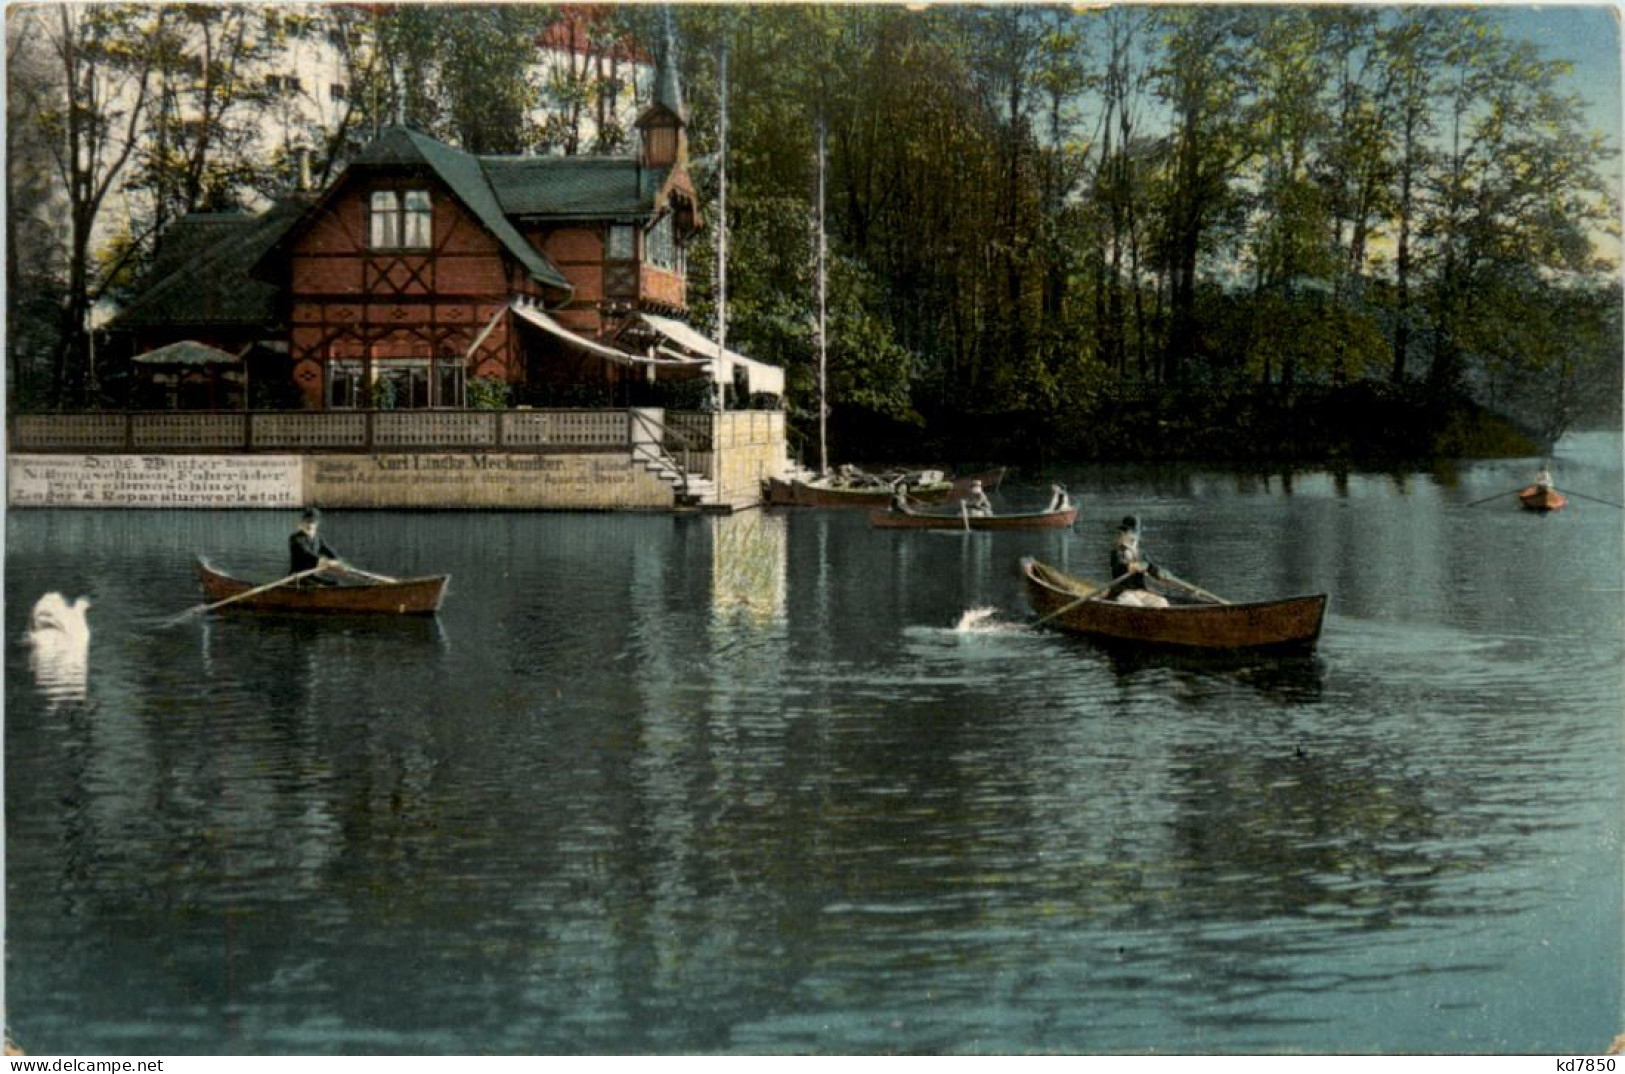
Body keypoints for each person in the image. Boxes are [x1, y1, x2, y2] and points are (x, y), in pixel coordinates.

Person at [1108, 515, 1168, 606]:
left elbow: (1150, 567)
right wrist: (1129, 567)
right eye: (1129, 533)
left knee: (1162, 603)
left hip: (1140, 592)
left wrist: (1159, 574)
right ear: (1123, 534)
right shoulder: (1117, 551)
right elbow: (1118, 567)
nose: (1132, 537)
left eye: (1134, 534)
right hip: (1123, 592)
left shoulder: (1141, 553)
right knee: (1135, 605)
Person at [289, 507, 343, 583]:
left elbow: (329, 550)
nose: (310, 525)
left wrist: (337, 560)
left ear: (317, 524)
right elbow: (306, 554)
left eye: (312, 522)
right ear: (302, 522)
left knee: (335, 581)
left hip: (312, 574)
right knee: (331, 583)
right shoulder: (295, 538)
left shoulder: (319, 538)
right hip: (298, 577)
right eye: (307, 522)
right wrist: (324, 561)